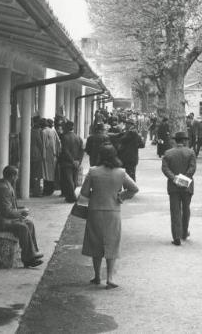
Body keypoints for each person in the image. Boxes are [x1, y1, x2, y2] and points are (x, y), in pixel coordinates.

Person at [81, 145, 138, 289]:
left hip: (95, 211)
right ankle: (110, 277)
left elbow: (84, 192)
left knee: (96, 243)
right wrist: (121, 196)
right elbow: (134, 188)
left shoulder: (93, 171)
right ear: (115, 156)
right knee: (112, 243)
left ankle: (97, 276)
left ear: (100, 156)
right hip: (113, 211)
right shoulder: (121, 172)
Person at [0, 165, 44, 268]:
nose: (17, 178)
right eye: (17, 176)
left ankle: (32, 254)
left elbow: (8, 207)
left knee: (29, 223)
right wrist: (21, 212)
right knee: (23, 227)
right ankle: (28, 258)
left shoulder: (5, 184)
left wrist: (20, 209)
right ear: (12, 176)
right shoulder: (3, 188)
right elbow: (6, 212)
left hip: (2, 217)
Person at [161, 131, 196, 246]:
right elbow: (192, 168)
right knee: (186, 209)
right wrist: (184, 179)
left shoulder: (168, 153)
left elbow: (165, 169)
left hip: (173, 186)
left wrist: (175, 179)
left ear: (175, 141)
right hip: (187, 186)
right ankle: (184, 233)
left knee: (175, 211)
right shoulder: (190, 152)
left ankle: (176, 236)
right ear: (185, 141)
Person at [59, 121, 84, 203]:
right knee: (74, 179)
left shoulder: (64, 137)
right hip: (76, 162)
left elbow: (65, 151)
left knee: (69, 180)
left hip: (67, 162)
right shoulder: (78, 137)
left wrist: (72, 160)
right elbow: (82, 151)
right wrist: (78, 161)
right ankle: (70, 195)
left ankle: (71, 197)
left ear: (66, 128)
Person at [41, 119, 62, 195]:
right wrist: (57, 152)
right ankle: (51, 188)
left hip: (46, 154)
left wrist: (43, 154)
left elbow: (43, 144)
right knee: (52, 172)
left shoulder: (43, 132)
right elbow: (58, 142)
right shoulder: (53, 131)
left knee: (46, 172)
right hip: (54, 154)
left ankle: (47, 190)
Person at [30, 117, 44, 197]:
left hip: (28, 155)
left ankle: (31, 188)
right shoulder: (37, 132)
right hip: (36, 155)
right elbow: (40, 145)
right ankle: (36, 191)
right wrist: (43, 155)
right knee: (37, 175)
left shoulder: (28, 131)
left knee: (31, 173)